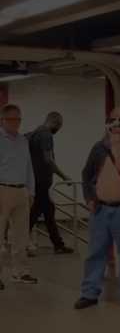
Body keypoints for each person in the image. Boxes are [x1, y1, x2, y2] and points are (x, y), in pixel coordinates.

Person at [75, 107, 120, 309]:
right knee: (95, 252)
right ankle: (90, 292)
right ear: (109, 122)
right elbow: (86, 175)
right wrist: (89, 198)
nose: (119, 126)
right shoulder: (99, 148)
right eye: (115, 121)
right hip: (100, 209)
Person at [0, 104, 38, 289]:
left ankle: (21, 272)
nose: (16, 123)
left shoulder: (23, 141)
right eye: (12, 119)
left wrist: (31, 192)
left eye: (19, 119)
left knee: (21, 236)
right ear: (3, 120)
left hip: (21, 192)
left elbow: (29, 167)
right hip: (2, 190)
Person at [27, 112, 73, 255]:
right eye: (59, 125)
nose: (58, 129)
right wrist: (64, 176)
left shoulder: (33, 133)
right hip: (42, 181)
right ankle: (20, 243)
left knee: (48, 212)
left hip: (35, 180)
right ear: (55, 122)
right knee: (33, 215)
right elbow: (48, 160)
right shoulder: (46, 135)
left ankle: (58, 245)